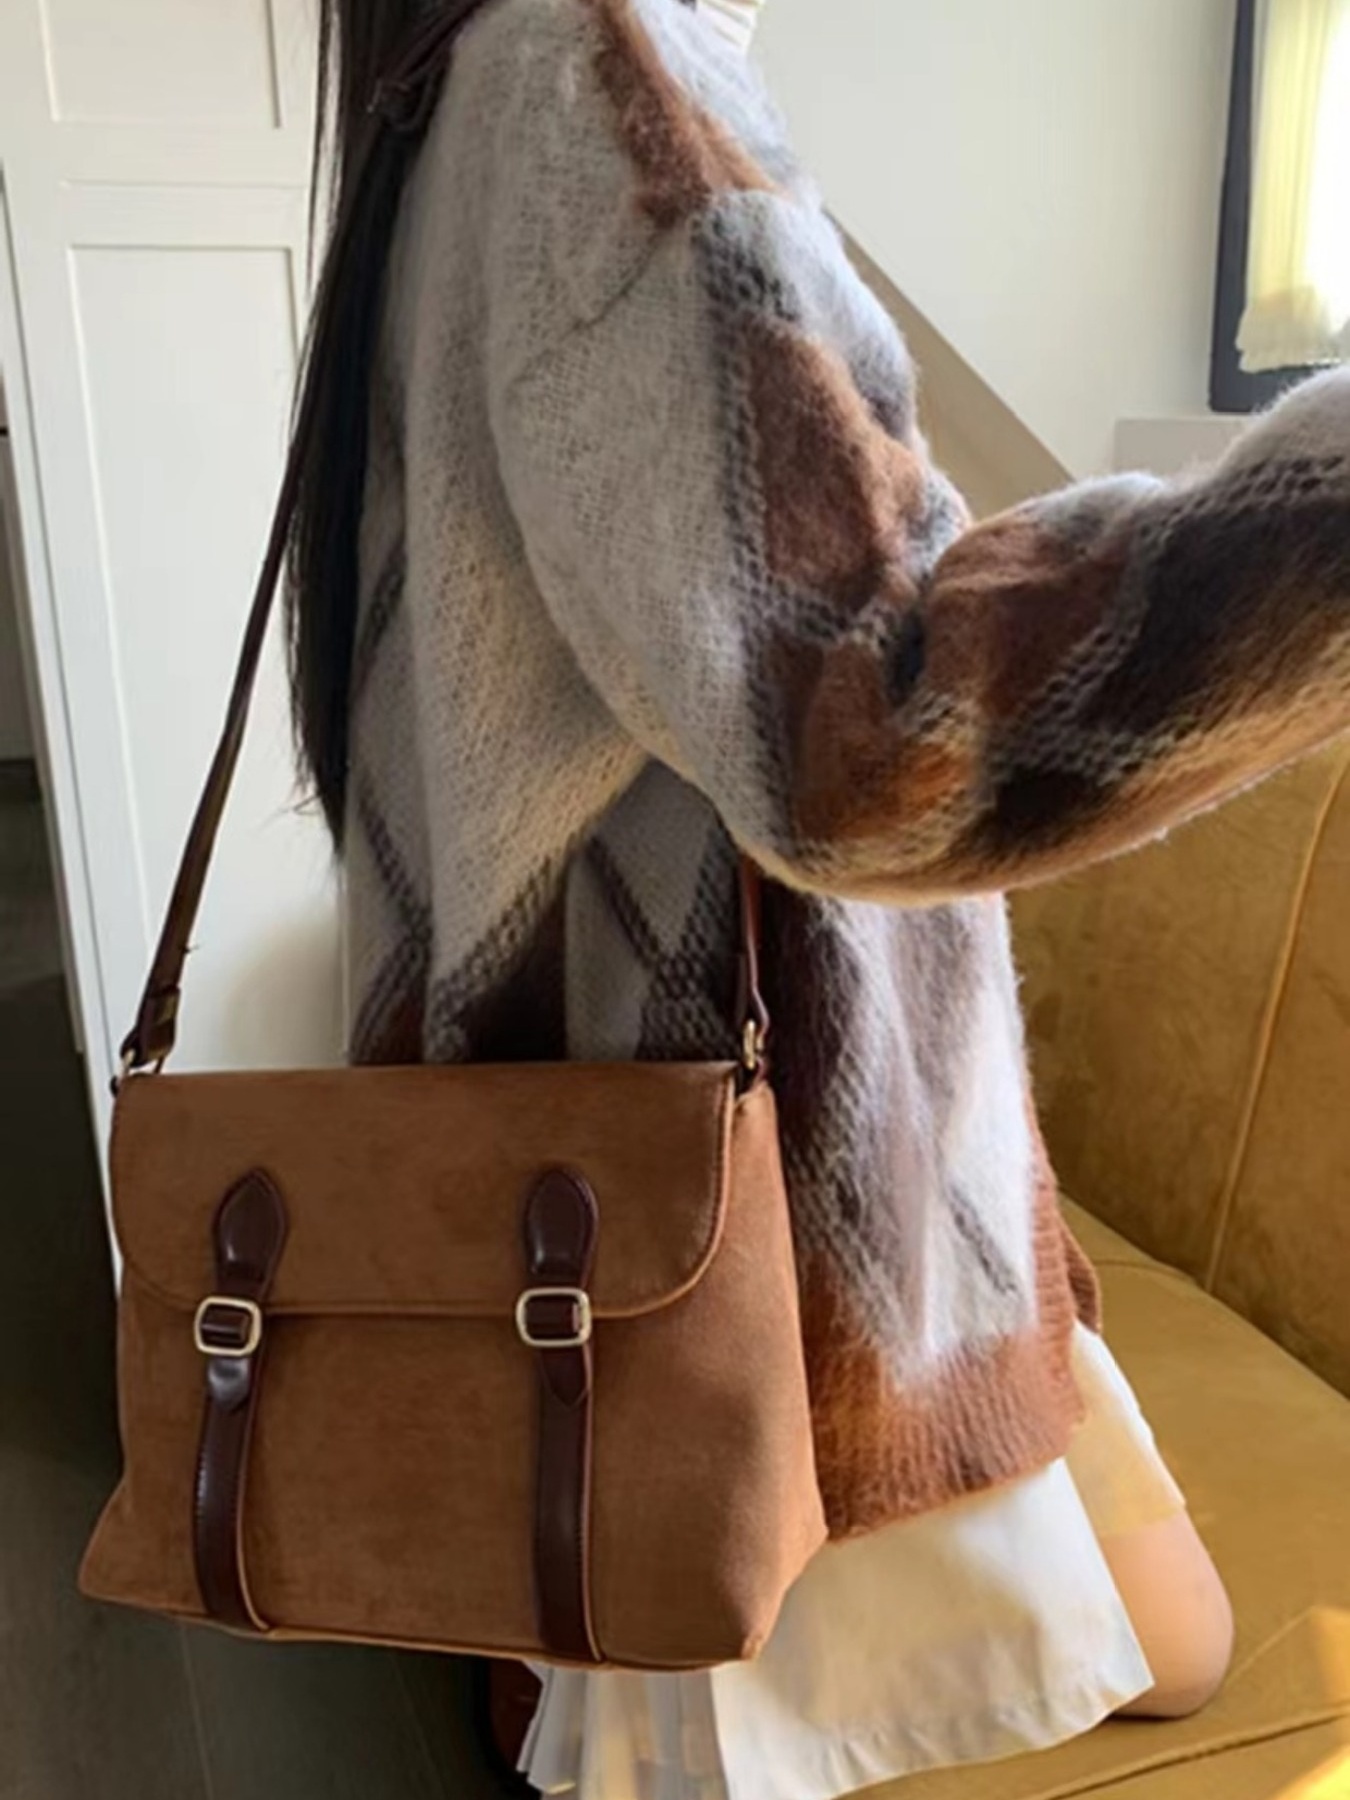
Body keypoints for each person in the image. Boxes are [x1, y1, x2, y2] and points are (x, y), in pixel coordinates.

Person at [282, 0, 1349, 1794]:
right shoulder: (589, 70)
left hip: (678, 1200)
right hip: (756, 1236)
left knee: (1172, 1645)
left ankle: (564, 1640)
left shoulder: (451, 89)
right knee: (1120, 1647)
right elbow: (877, 733)